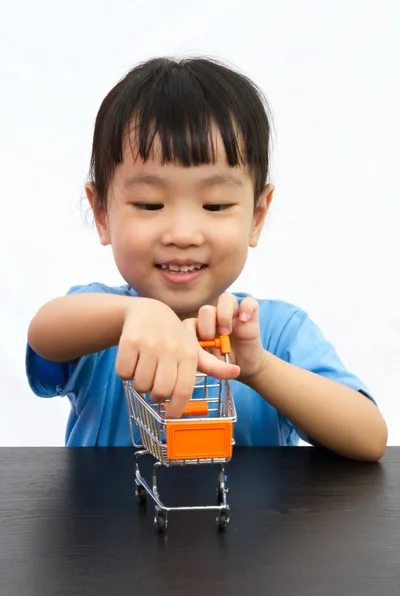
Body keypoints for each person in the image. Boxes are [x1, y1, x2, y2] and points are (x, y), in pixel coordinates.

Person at [26, 57, 387, 460]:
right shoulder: (99, 319)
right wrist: (132, 315)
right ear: (101, 215)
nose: (182, 234)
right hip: (108, 523)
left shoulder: (277, 332)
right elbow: (44, 332)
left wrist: (260, 369)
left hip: (253, 526)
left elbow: (369, 439)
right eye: (149, 204)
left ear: (256, 216)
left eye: (214, 205)